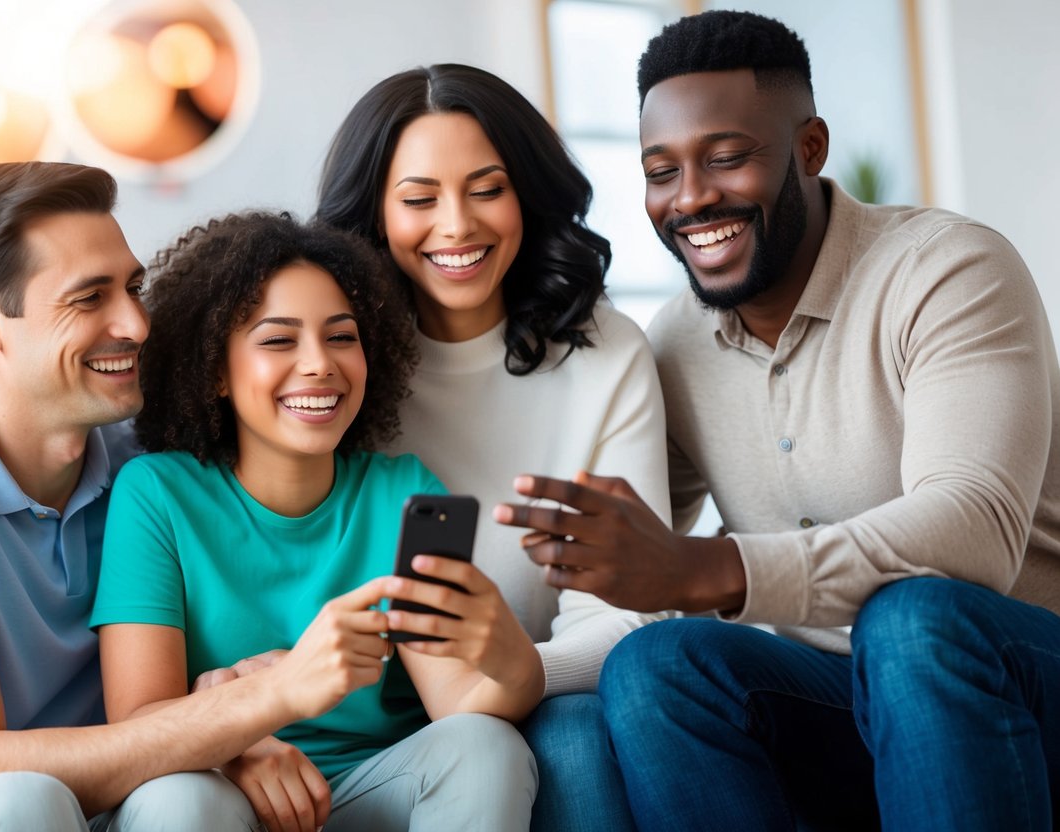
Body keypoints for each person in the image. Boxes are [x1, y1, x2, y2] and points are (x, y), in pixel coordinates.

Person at [494, 9, 1060, 830]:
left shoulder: (949, 271)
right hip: (834, 702)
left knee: (909, 623)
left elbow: (971, 529)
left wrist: (710, 569)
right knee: (658, 665)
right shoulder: (676, 348)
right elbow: (638, 571)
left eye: (726, 158)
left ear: (809, 148)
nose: (690, 199)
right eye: (661, 171)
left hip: (1009, 678)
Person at [0, 162, 393, 831]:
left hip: (105, 794)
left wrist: (224, 732)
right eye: (89, 298)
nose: (136, 323)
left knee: (187, 797)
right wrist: (248, 711)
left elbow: (182, 693)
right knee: (25, 801)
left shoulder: (151, 458)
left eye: (133, 288)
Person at [91, 211, 537, 832]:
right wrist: (234, 739)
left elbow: (461, 703)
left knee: (488, 747)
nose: (320, 364)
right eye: (278, 340)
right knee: (180, 799)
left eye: (341, 336)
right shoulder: (157, 493)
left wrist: (515, 659)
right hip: (222, 794)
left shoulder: (405, 492)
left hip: (371, 792)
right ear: (215, 370)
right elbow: (136, 723)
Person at [316, 63, 672, 832]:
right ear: (374, 213)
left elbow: (629, 606)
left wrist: (518, 674)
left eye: (486, 189)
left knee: (569, 734)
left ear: (528, 194)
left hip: (534, 697)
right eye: (418, 199)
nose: (456, 226)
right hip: (365, 723)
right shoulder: (330, 363)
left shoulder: (604, 354)